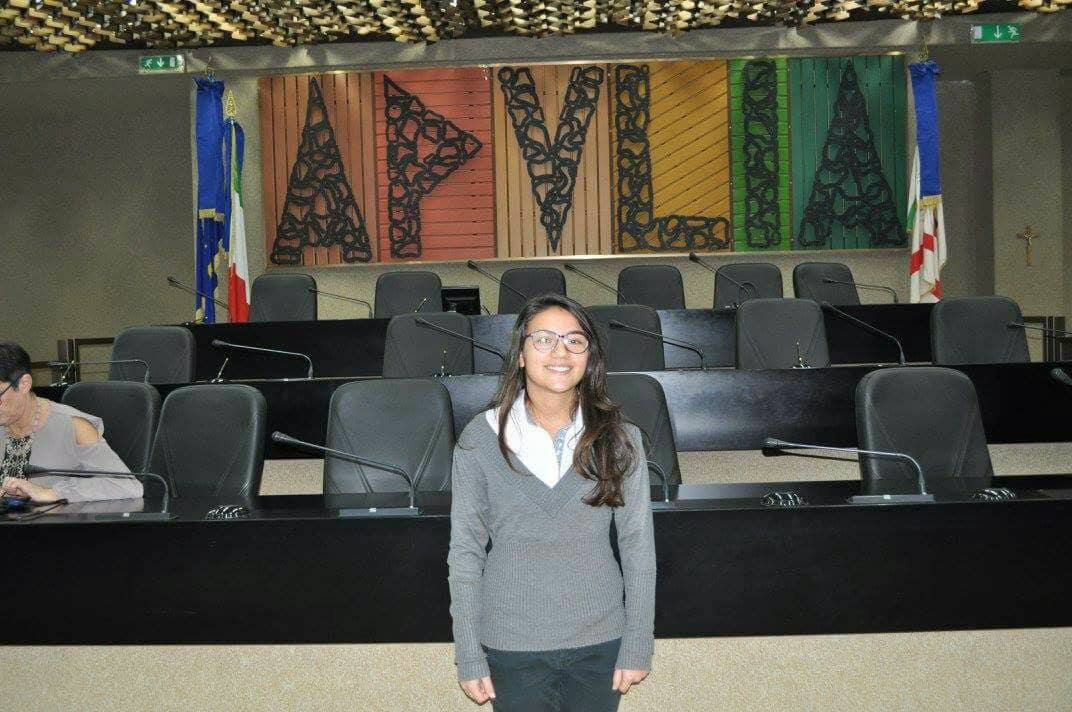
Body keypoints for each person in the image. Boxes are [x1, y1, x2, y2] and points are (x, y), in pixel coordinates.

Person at [448, 295, 657, 711]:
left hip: (601, 642)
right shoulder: (480, 437)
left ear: (589, 357)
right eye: (544, 339)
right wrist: (468, 651)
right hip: (510, 644)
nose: (561, 352)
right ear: (521, 354)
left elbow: (638, 547)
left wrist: (638, 641)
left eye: (574, 341)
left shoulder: (620, 438)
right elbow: (465, 552)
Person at [0, 342, 142, 503]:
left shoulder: (75, 427)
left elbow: (125, 485)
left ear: (24, 384)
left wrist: (52, 493)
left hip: (54, 518)